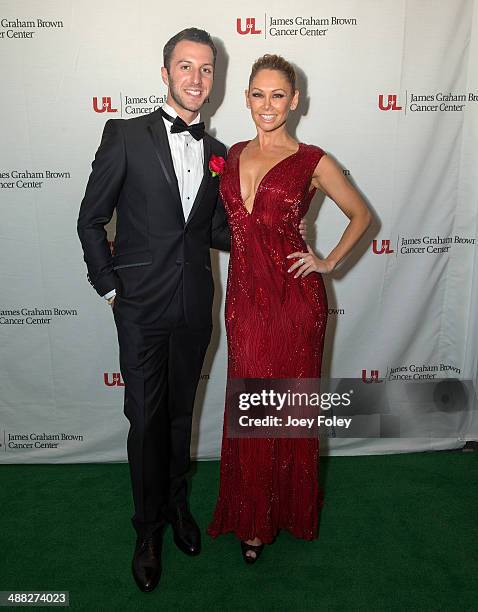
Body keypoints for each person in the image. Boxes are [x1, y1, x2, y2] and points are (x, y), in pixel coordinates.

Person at [77, 28, 230, 592]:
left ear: (215, 79)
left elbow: (211, 229)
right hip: (139, 307)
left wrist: (266, 229)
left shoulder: (218, 154)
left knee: (178, 417)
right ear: (165, 73)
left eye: (207, 69)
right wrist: (111, 288)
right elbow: (90, 219)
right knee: (145, 422)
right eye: (186, 66)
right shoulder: (124, 135)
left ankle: (177, 507)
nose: (196, 78)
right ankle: (146, 531)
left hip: (194, 305)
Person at [207, 54, 372, 562]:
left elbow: (362, 214)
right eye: (258, 94)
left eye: (278, 95)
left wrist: (327, 262)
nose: (267, 105)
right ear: (247, 98)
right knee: (252, 403)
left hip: (295, 301)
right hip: (243, 301)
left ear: (294, 100)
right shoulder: (230, 154)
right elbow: (225, 225)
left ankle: (283, 511)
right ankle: (253, 515)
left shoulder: (313, 160)